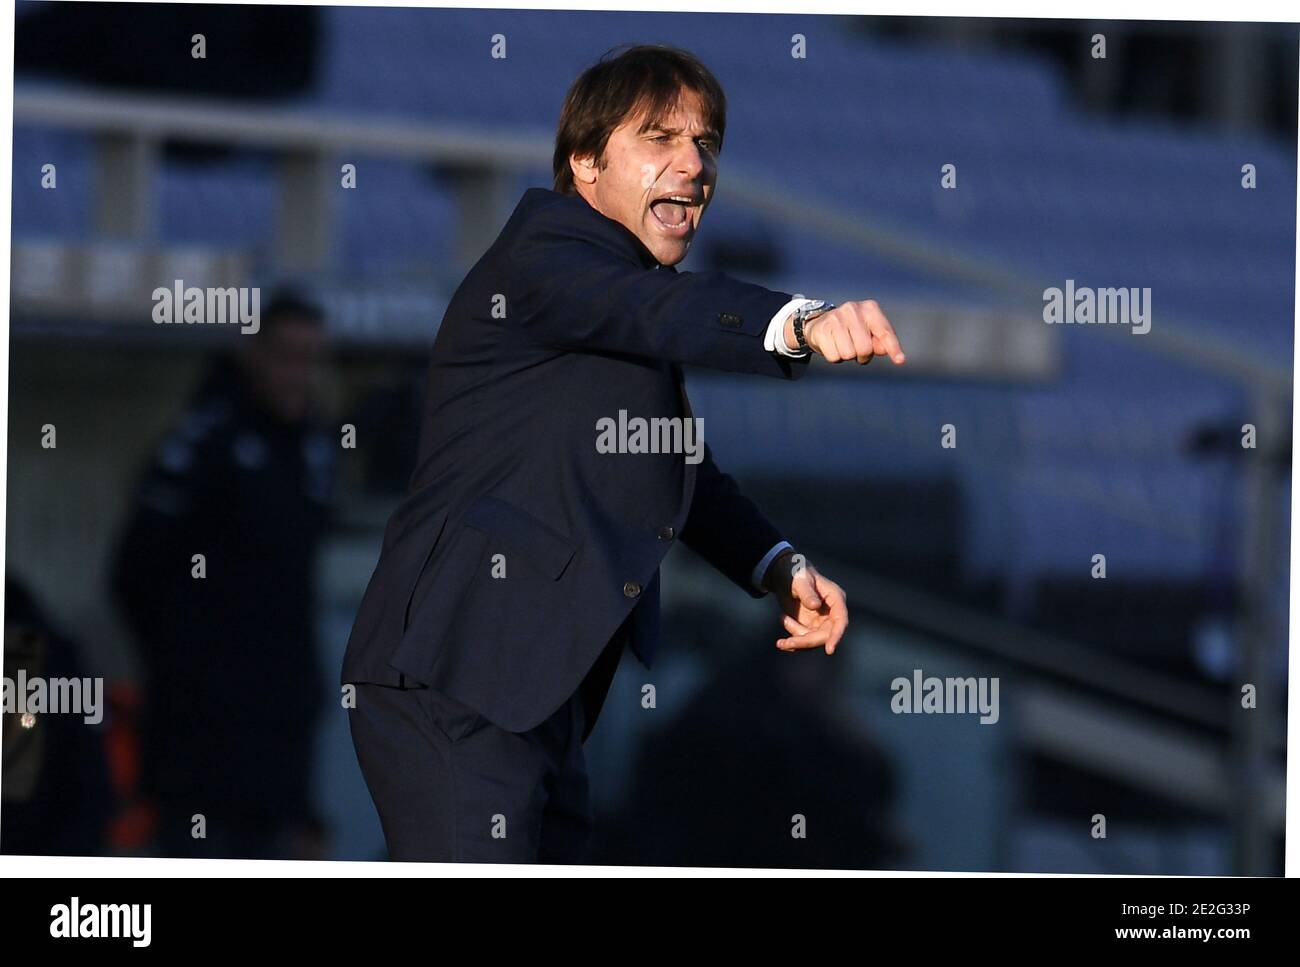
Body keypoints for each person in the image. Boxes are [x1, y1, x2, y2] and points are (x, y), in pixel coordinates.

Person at [342, 44, 906, 864]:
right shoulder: (545, 259)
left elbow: (679, 466)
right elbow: (660, 311)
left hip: (530, 697)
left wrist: (779, 566)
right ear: (585, 162)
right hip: (456, 677)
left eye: (706, 142)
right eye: (660, 138)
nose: (694, 163)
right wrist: (800, 320)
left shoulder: (621, 293)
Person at [112, 290, 335, 859]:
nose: (297, 375)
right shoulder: (203, 440)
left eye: (310, 359)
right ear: (251, 352)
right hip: (201, 743)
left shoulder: (314, 445)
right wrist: (188, 670)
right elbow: (132, 571)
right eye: (286, 356)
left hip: (282, 735)